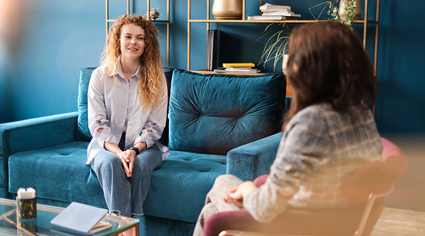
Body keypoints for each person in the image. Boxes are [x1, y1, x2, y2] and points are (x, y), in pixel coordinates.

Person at [193, 21, 384, 235]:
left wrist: (249, 189)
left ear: (308, 67)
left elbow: (265, 208)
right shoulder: (360, 112)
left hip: (297, 224)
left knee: (217, 195)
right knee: (220, 192)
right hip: (330, 216)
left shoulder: (312, 121)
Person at [87, 14, 169, 218]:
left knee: (140, 164)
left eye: (140, 38)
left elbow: (155, 126)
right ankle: (127, 229)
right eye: (128, 36)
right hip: (106, 147)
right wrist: (119, 153)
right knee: (112, 164)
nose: (134, 42)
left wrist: (132, 151)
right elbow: (97, 124)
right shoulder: (100, 76)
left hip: (144, 147)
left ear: (146, 43)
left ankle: (125, 227)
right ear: (118, 40)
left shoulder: (157, 78)